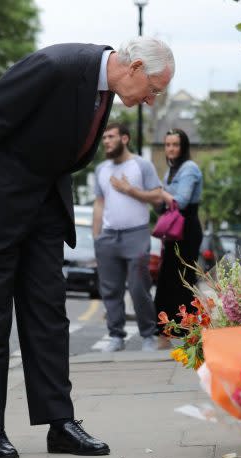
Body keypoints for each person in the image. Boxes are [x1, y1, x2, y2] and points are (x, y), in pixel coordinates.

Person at [0, 36, 174, 458]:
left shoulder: (104, 90)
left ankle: (59, 423)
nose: (152, 101)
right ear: (135, 67)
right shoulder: (57, 65)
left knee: (49, 315)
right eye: (154, 88)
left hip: (45, 207)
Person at [92, 123, 162, 353]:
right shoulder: (101, 169)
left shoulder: (141, 165)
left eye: (111, 137)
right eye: (104, 138)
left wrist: (129, 189)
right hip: (108, 237)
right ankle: (116, 336)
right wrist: (96, 236)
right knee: (110, 290)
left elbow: (158, 196)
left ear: (125, 139)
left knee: (138, 287)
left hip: (136, 234)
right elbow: (99, 203)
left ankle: (148, 336)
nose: (106, 142)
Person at [154, 129, 203, 338]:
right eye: (168, 145)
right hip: (175, 231)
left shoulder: (189, 168)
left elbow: (181, 201)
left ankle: (186, 327)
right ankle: (169, 326)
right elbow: (164, 205)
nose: (171, 149)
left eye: (175, 145)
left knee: (183, 278)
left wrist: (159, 193)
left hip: (187, 229)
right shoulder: (171, 171)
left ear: (183, 147)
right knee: (168, 277)